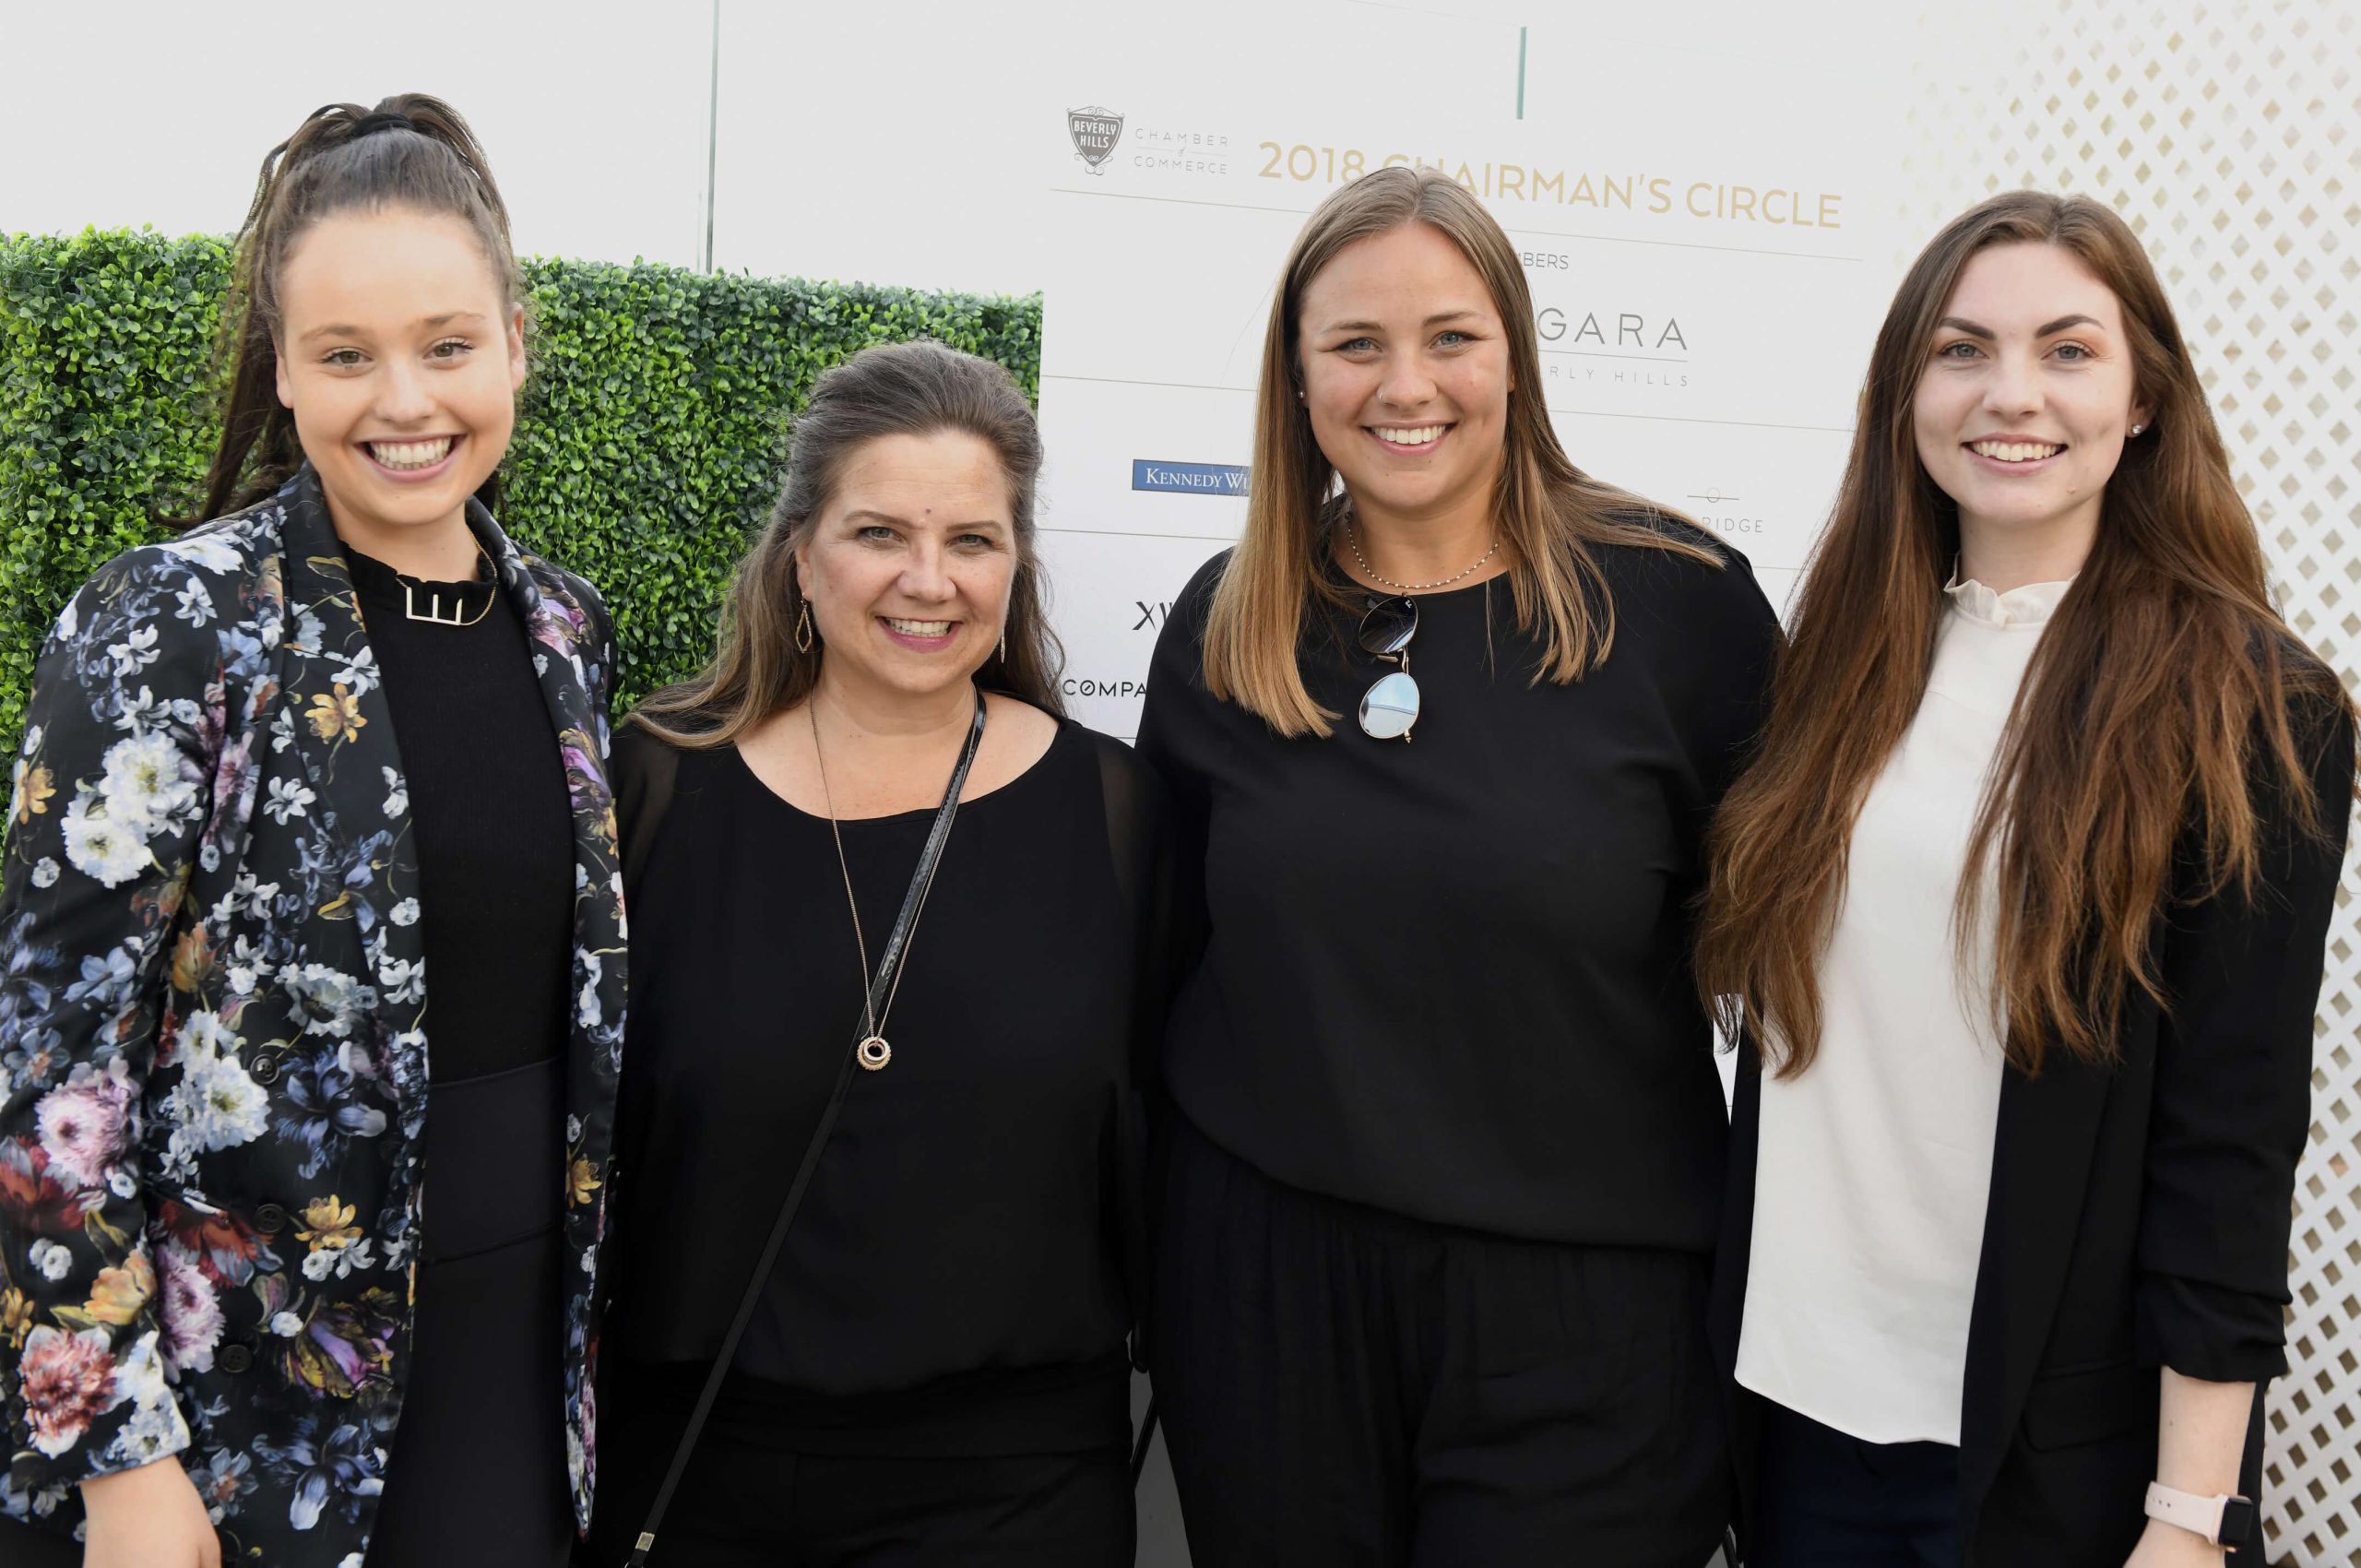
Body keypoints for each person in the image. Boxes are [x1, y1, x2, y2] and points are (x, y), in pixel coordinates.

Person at [0, 96, 625, 1568]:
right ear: (284, 369)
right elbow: (46, 1063)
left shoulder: (564, 627)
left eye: (447, 346)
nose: (404, 400)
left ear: (515, 344)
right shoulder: (170, 619)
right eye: (346, 355)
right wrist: (120, 1458)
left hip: (515, 1376)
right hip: (233, 1417)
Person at [1132, 163, 1779, 1565]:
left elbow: (1802, 954)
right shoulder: (1227, 626)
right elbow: (1160, 957)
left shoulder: (1681, 605)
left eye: (1450, 338)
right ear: (1297, 377)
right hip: (1268, 1298)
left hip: (1590, 1315)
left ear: (1516, 357)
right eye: (1356, 343)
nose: (1404, 385)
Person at [1696, 190, 2355, 1566]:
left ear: (2144, 396)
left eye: (2068, 350)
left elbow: (2231, 1146)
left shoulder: (2251, 705)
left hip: (2041, 1462)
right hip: (1793, 1413)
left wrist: (2191, 1518)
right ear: (1907, 392)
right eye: (1962, 350)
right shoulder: (1836, 660)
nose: (2012, 395)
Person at [583, 340, 1168, 1567]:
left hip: (1016, 1492)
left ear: (1016, 564)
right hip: (694, 1473)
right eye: (879, 533)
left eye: (973, 539)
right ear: (801, 556)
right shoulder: (654, 790)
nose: (928, 580)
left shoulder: (1117, 814)